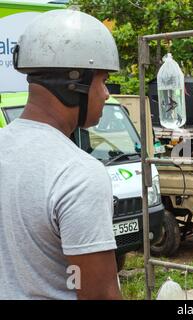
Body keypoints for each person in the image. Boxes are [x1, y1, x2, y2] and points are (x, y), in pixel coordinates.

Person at [0, 10, 122, 300]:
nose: (106, 94)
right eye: (102, 81)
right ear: (73, 83)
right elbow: (100, 294)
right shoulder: (77, 172)